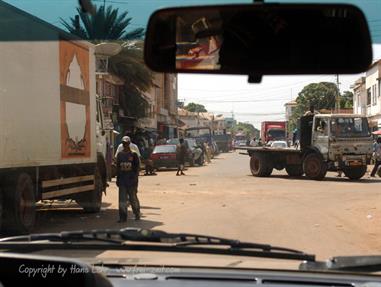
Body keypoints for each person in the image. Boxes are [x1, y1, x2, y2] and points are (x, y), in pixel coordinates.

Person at [116, 137, 141, 222]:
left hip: (131, 180)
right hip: (122, 180)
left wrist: (135, 179)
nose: (125, 145)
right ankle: (122, 217)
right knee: (122, 200)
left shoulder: (134, 155)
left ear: (129, 144)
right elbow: (118, 168)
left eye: (126, 143)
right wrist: (118, 179)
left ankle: (137, 213)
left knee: (133, 198)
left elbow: (137, 168)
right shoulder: (120, 155)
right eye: (124, 144)